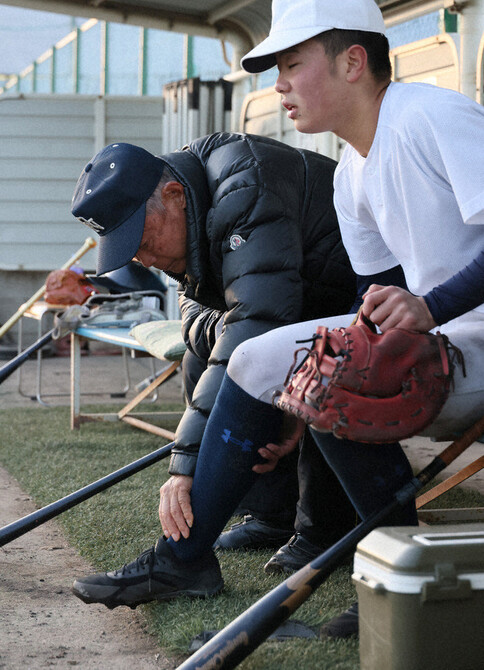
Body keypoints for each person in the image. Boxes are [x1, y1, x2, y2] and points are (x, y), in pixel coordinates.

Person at [72, 0, 484, 642]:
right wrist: (297, 401)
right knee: (295, 361)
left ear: (352, 62)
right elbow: (369, 306)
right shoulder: (352, 171)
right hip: (447, 344)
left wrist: (430, 306)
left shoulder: (430, 116)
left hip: (470, 332)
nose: (281, 86)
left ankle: (391, 569)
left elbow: (418, 299)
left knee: (316, 359)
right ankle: (397, 568)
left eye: (293, 65)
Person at [71, 133, 358, 561]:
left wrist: (184, 463)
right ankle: (270, 514)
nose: (145, 261)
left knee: (307, 364)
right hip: (300, 306)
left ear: (173, 196)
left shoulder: (243, 185)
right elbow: (198, 315)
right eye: (132, 252)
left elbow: (256, 323)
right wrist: (233, 327)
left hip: (358, 305)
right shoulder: (185, 205)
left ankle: (325, 531)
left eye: (143, 241)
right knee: (199, 360)